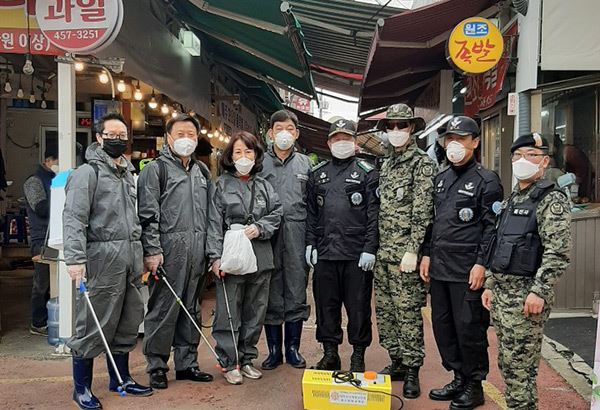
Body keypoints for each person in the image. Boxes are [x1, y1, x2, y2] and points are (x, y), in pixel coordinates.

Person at [63, 113, 152, 409]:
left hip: (131, 257)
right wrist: (75, 259)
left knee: (128, 319)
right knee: (92, 323)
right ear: (99, 138)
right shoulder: (87, 173)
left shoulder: (128, 174)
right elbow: (74, 218)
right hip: (101, 257)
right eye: (110, 134)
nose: (117, 139)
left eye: (121, 135)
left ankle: (120, 377)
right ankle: (82, 388)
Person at [482, 133, 572, 410]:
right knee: (509, 365)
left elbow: (558, 252)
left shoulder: (550, 199)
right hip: (504, 297)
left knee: (521, 369)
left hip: (526, 298)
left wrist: (539, 291)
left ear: (544, 162)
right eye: (518, 155)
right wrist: (489, 283)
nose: (524, 161)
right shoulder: (514, 199)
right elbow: (500, 245)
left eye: (532, 155)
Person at [420, 116, 503, 409]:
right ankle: (458, 377)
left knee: (469, 329)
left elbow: (492, 228)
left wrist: (482, 263)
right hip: (441, 269)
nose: (453, 144)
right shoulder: (441, 179)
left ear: (475, 142)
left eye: (461, 139)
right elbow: (434, 224)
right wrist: (427, 253)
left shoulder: (487, 180)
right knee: (444, 327)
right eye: (449, 139)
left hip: (468, 271)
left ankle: (474, 385)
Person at [138, 114, 213, 389]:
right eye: (180, 134)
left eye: (191, 135)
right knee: (163, 308)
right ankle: (157, 365)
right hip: (168, 251)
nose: (186, 139)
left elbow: (212, 214)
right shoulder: (156, 170)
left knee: (191, 308)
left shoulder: (202, 172)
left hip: (197, 252)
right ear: (168, 138)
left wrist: (210, 250)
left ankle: (187, 363)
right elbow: (147, 214)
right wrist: (152, 250)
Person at [207, 131, 282, 385]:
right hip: (231, 252)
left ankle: (247, 358)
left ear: (257, 155)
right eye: (238, 152)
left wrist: (261, 227)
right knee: (229, 309)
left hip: (260, 254)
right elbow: (213, 223)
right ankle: (230, 362)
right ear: (230, 156)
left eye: (248, 151)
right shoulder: (221, 185)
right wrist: (215, 257)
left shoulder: (264, 185)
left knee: (255, 310)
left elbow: (276, 213)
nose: (243, 156)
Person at [305, 119, 379, 373]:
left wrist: (370, 247)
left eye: (346, 138)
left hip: (356, 255)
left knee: (358, 308)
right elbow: (312, 214)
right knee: (326, 306)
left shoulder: (367, 172)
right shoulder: (317, 174)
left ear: (355, 143)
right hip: (325, 252)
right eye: (336, 139)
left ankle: (358, 355)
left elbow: (373, 214)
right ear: (328, 143)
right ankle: (330, 354)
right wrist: (310, 243)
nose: (341, 143)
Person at [374, 103, 435, 399]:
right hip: (383, 254)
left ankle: (412, 370)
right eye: (392, 126)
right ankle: (397, 360)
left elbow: (423, 209)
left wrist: (414, 249)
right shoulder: (385, 163)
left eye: (402, 126)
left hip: (405, 258)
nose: (396, 131)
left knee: (408, 313)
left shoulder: (422, 163)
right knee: (385, 313)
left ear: (412, 128)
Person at [259, 110, 312, 370]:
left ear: (296, 133)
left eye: (289, 129)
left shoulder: (306, 164)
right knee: (269, 289)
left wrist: (312, 240)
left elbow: (313, 205)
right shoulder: (258, 163)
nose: (284, 133)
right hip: (267, 234)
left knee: (295, 287)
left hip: (297, 232)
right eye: (278, 128)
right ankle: (272, 350)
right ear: (270, 133)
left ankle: (292, 348)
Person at [23, 149, 58, 336]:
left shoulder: (58, 178)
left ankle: (56, 320)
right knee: (42, 283)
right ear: (48, 160)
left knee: (58, 283)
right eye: (57, 161)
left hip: (58, 236)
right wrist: (60, 194)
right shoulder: (34, 181)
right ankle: (38, 322)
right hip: (41, 238)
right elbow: (40, 208)